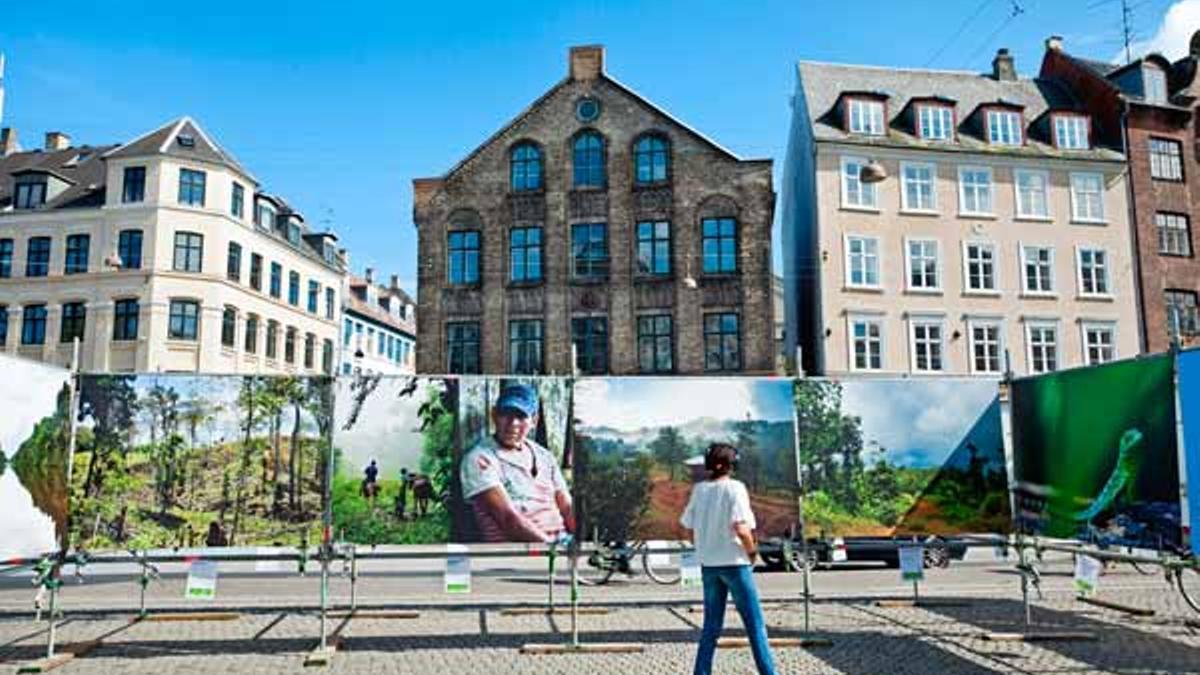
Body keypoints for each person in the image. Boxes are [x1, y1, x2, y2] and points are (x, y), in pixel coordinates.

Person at [680, 443, 776, 675]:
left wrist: (703, 546)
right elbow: (742, 528)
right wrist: (752, 553)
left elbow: (686, 528)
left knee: (711, 627)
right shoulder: (736, 488)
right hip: (735, 564)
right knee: (755, 626)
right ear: (732, 465)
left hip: (709, 566)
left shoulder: (699, 489)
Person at [460, 383, 574, 543]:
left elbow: (566, 506)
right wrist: (553, 550)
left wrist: (582, 542)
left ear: (534, 420)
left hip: (561, 542)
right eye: (505, 414)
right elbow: (509, 519)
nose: (513, 423)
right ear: (494, 415)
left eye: (521, 416)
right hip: (519, 551)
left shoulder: (544, 456)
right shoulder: (480, 459)